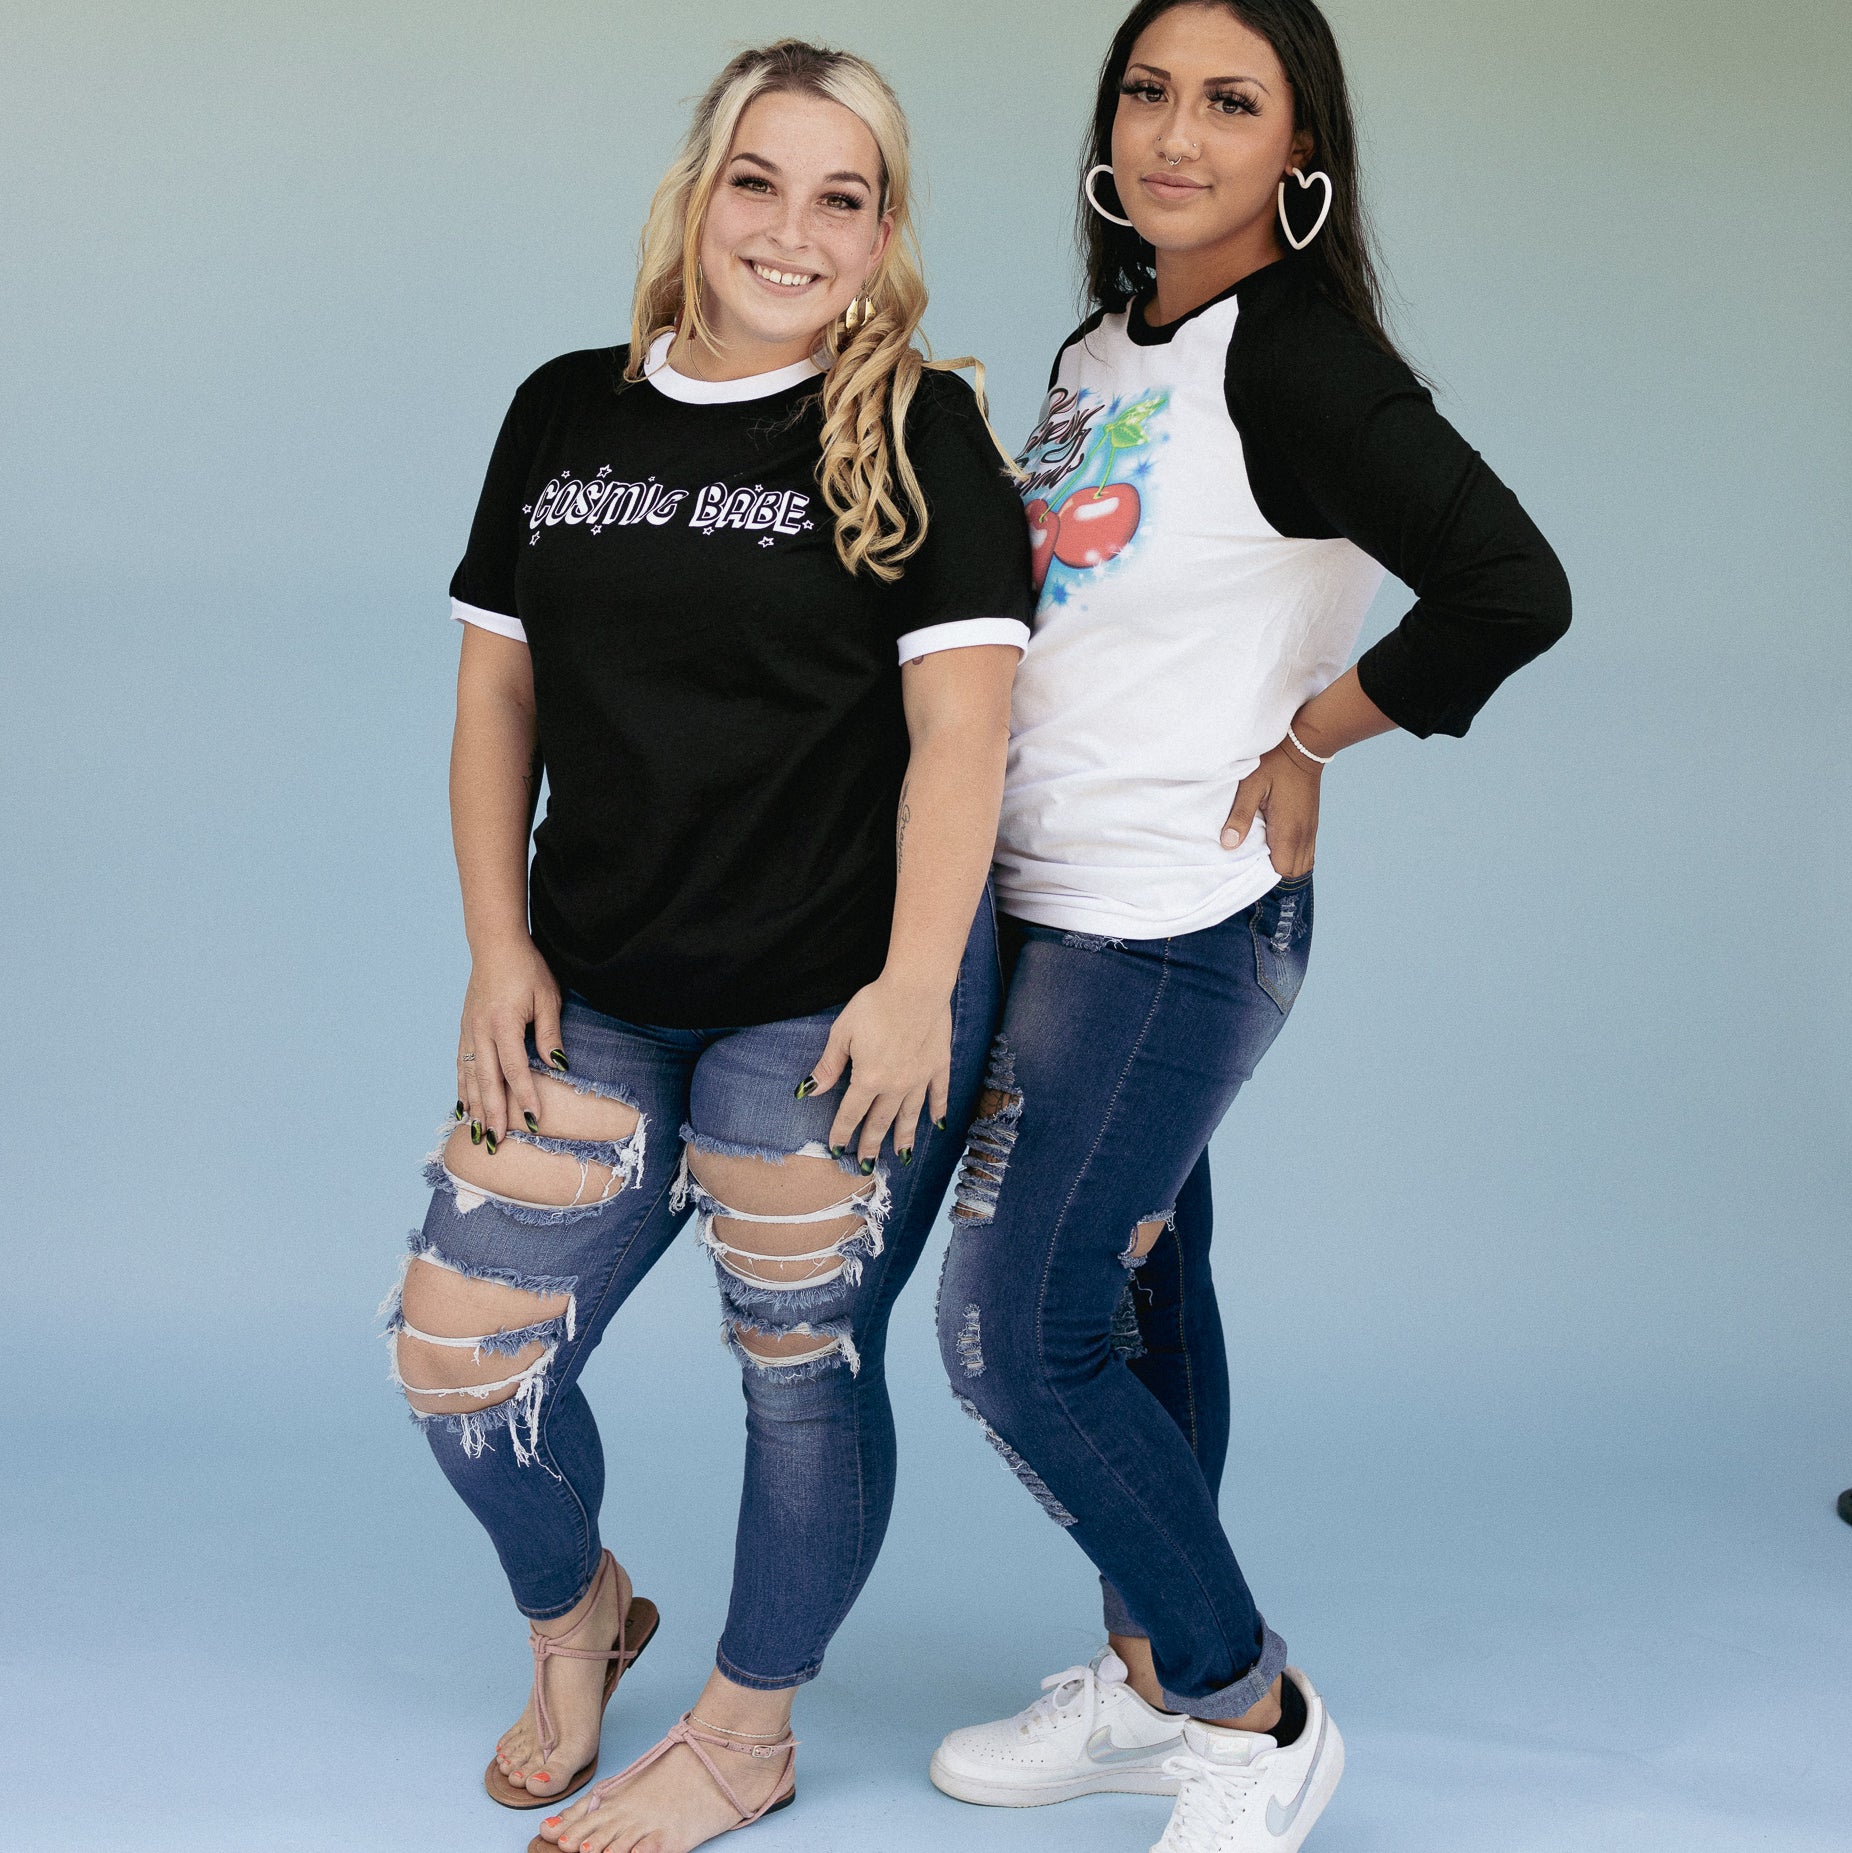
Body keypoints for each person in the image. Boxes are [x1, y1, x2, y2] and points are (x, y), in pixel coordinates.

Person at [928, 3, 1571, 1848]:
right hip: (1058, 904)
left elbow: (1509, 586)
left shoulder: (1294, 356)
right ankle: (1146, 1682)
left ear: (1299, 149)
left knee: (1016, 1335)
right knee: (1135, 1303)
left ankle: (1247, 1702)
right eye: (1146, 91)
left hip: (1173, 923)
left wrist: (1315, 730)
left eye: (1227, 101)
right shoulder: (1104, 339)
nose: (1173, 134)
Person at [380, 39, 1031, 1853]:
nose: (793, 228)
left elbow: (964, 738)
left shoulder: (915, 429)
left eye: (846, 195)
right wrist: (495, 943)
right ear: (699, 188)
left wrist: (917, 985)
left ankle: (748, 1728)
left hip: (827, 996)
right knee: (457, 1356)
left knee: (798, 1361)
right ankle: (577, 1608)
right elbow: (494, 694)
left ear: (883, 230)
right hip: (594, 977)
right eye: (761, 179)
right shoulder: (565, 407)